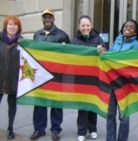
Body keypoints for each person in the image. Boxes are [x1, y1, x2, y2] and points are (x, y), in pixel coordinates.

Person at [29, 9, 70, 141]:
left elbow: (69, 56)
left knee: (56, 103)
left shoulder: (62, 35)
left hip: (56, 76)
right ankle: (39, 129)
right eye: (45, 17)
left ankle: (56, 130)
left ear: (54, 19)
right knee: (40, 103)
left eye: (49, 17)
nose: (47, 19)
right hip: (40, 75)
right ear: (43, 19)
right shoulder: (37, 35)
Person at [70, 15, 106, 141]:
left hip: (94, 79)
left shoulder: (99, 40)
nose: (85, 28)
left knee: (92, 105)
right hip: (80, 79)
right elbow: (70, 59)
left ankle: (93, 130)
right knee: (82, 105)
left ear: (91, 26)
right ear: (79, 27)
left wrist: (102, 51)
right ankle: (81, 131)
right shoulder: (74, 42)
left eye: (88, 25)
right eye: (83, 25)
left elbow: (105, 57)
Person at [106, 19, 138, 141]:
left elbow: (131, 63)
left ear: (135, 32)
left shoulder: (136, 45)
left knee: (123, 116)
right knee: (110, 115)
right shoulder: (117, 40)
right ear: (122, 27)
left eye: (131, 28)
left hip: (125, 85)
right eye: (126, 26)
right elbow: (109, 56)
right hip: (111, 83)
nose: (128, 29)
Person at [0, 15, 22, 140]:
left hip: (14, 80)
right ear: (5, 26)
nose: (12, 27)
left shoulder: (22, 42)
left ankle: (10, 128)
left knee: (12, 106)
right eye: (10, 24)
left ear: (18, 27)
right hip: (0, 79)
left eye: (15, 25)